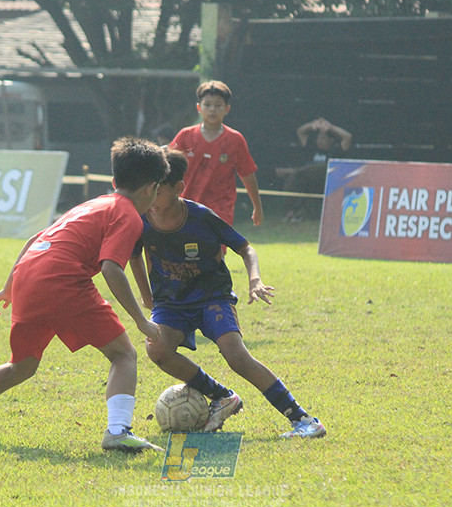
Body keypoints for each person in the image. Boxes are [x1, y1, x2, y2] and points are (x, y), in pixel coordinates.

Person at [0, 137, 170, 452]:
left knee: (20, 367)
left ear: (115, 180)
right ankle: (118, 432)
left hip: (29, 277)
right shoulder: (129, 215)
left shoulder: (92, 204)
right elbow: (111, 268)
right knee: (123, 354)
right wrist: (141, 320)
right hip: (62, 282)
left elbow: (38, 237)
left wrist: (10, 286)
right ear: (149, 188)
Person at [129, 149, 326, 438]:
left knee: (237, 357)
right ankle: (222, 396)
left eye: (158, 191)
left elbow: (245, 248)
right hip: (170, 303)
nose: (151, 197)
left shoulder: (199, 216)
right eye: (148, 189)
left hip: (212, 298)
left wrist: (255, 280)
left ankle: (303, 420)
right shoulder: (142, 218)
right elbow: (134, 255)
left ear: (178, 189)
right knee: (157, 350)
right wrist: (147, 296)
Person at [169, 80, 262, 227]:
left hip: (220, 210)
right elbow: (167, 168)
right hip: (186, 208)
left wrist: (257, 207)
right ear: (199, 108)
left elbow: (247, 174)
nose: (212, 109)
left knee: (215, 249)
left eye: (218, 105)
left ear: (227, 109)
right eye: (207, 105)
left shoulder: (235, 139)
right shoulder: (185, 136)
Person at [276, 117, 353, 222]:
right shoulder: (312, 147)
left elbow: (348, 137)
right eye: (318, 138)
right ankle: (290, 212)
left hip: (326, 181)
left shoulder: (336, 149)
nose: (320, 141)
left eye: (323, 138)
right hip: (308, 181)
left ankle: (295, 171)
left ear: (330, 140)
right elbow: (300, 131)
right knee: (293, 177)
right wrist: (312, 125)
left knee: (310, 169)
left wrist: (331, 127)